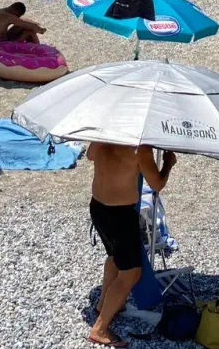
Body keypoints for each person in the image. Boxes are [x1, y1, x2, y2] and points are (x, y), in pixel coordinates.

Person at [85, 142, 176, 347]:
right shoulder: (140, 149)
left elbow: (91, 155)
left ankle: (104, 305)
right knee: (131, 273)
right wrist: (168, 164)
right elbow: (157, 184)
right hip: (120, 215)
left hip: (98, 207)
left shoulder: (103, 134)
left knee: (115, 257)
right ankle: (99, 329)